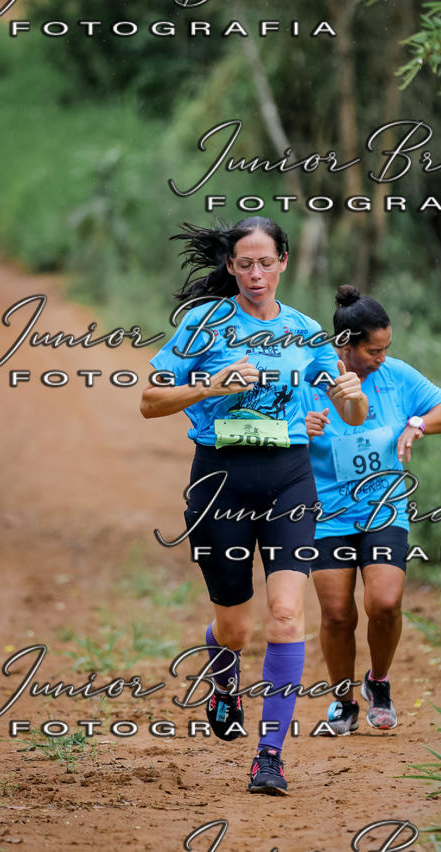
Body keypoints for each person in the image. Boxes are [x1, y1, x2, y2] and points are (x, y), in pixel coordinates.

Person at [140, 219, 367, 794]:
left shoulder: (305, 330)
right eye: (244, 264)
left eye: (266, 263)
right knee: (236, 629)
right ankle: (223, 680)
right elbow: (150, 401)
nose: (256, 274)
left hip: (290, 478)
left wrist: (350, 396)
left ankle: (270, 756)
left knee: (288, 615)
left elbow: (354, 414)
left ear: (284, 262)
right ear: (231, 267)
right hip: (220, 478)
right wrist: (212, 386)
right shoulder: (202, 325)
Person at [304, 285, 441, 736]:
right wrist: (303, 426)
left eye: (387, 348)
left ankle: (379, 682)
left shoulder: (398, 376)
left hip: (383, 509)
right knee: (337, 615)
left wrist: (418, 423)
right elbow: (282, 426)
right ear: (345, 345)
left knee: (386, 603)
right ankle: (343, 701)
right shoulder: (312, 379)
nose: (381, 357)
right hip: (327, 512)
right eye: (373, 350)